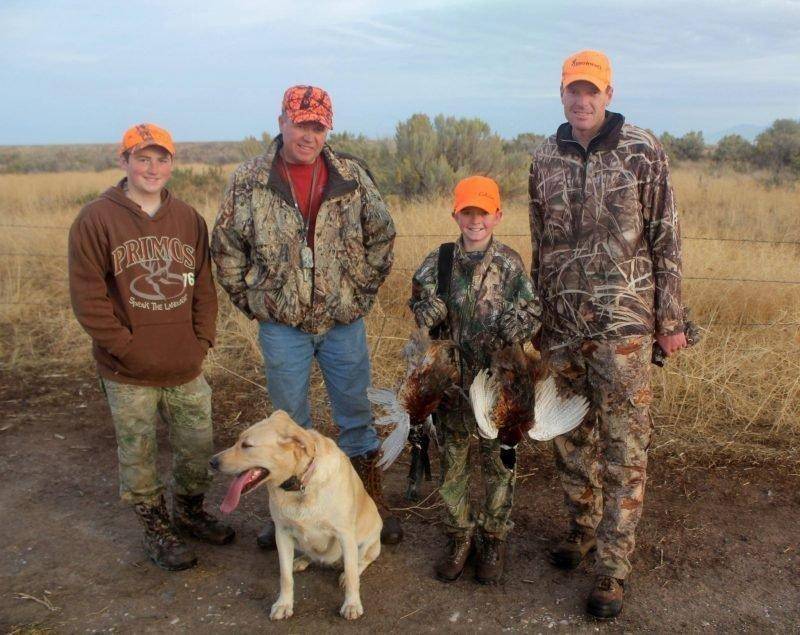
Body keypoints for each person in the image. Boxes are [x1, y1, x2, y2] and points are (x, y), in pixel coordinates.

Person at [528, 50, 687, 618]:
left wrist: (668, 321)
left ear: (609, 94)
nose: (582, 99)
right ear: (562, 92)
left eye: (592, 90)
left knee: (625, 448)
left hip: (624, 330)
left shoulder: (642, 150)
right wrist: (539, 321)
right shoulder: (544, 157)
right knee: (568, 438)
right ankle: (582, 528)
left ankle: (614, 569)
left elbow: (665, 237)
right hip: (564, 331)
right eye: (574, 89)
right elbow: (540, 245)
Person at [211, 85, 401, 546]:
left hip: (342, 324)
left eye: (318, 126)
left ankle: (364, 509)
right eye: (300, 123)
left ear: (327, 128)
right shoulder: (250, 179)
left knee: (356, 418)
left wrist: (357, 295)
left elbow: (383, 235)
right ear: (281, 121)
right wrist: (256, 302)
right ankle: (286, 521)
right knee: (284, 426)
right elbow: (226, 249)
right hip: (282, 330)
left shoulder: (350, 176)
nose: (309, 134)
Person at [68, 123, 234, 571]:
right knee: (138, 450)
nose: (152, 168)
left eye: (162, 159)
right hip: (128, 370)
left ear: (172, 165)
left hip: (186, 364)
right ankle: (156, 528)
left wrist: (202, 341)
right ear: (123, 161)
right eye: (142, 158)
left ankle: (191, 512)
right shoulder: (96, 218)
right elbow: (88, 298)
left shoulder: (188, 219)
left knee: (198, 446)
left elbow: (203, 287)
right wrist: (126, 347)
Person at [410, 176, 542, 584]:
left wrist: (515, 324)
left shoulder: (510, 264)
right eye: (467, 212)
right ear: (456, 214)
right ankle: (458, 535)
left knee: (499, 464)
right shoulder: (439, 260)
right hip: (450, 386)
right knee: (453, 463)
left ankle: (493, 537)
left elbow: (533, 313)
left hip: (498, 385)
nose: (475, 220)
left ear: (497, 216)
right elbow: (419, 305)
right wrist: (427, 311)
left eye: (483, 213)